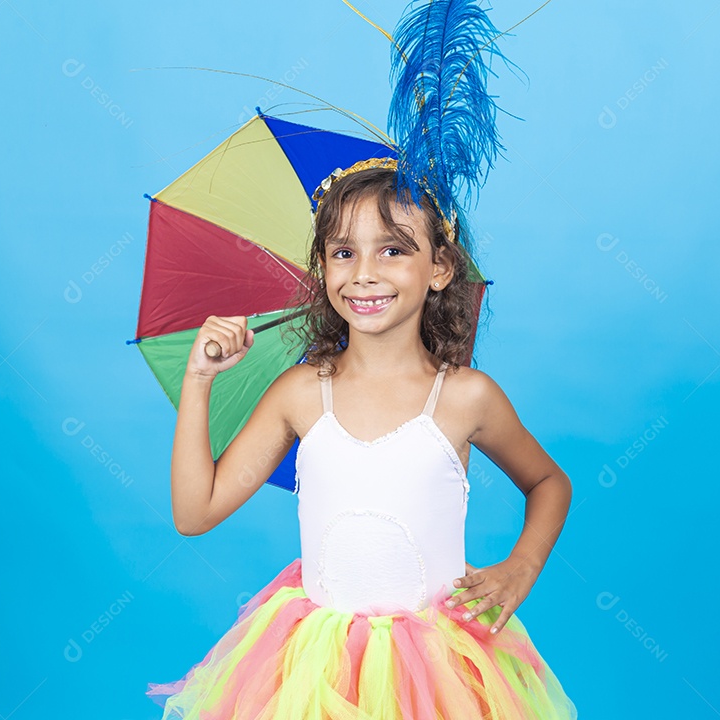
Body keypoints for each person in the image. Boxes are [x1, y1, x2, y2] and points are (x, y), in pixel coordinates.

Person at [145, 159, 579, 718]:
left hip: (437, 670)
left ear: (440, 267)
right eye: (344, 252)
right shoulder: (300, 393)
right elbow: (194, 512)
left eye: (393, 250)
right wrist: (199, 380)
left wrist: (521, 567)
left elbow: (548, 481)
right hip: (317, 667)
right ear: (322, 267)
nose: (365, 273)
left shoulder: (466, 397)